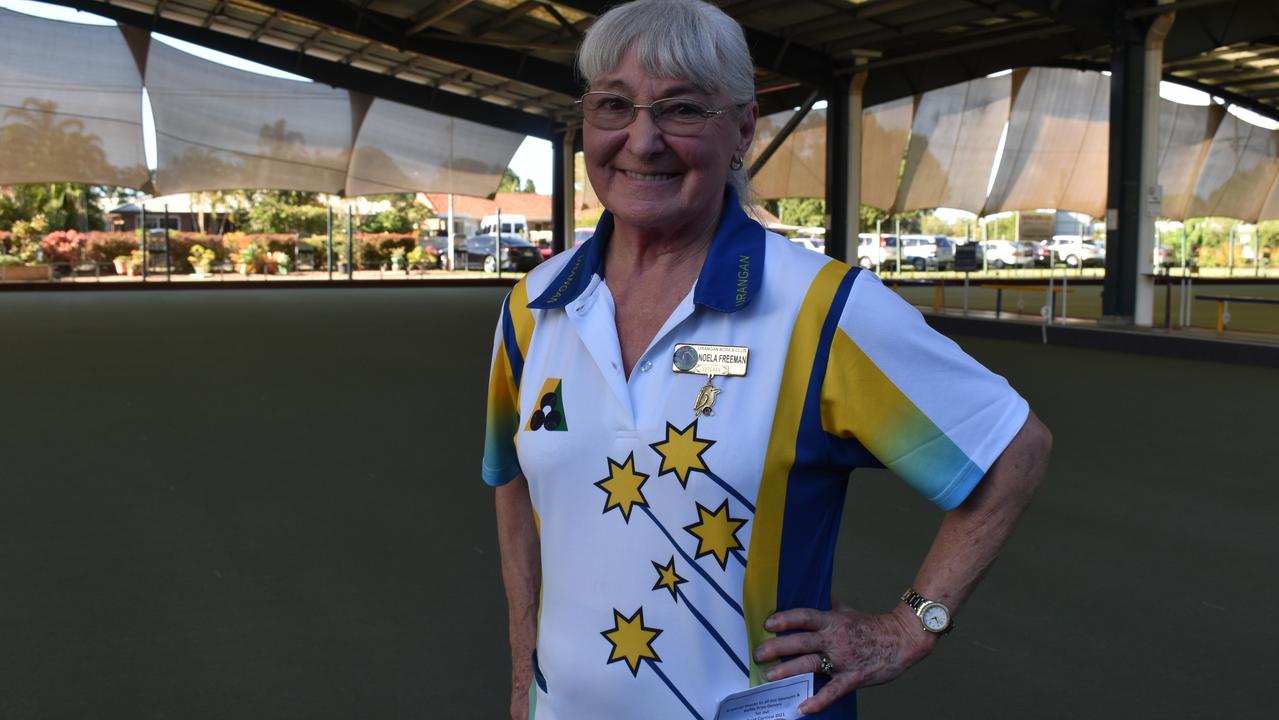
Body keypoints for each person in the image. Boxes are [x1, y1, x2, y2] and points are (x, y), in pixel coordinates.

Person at [482, 1, 1052, 718]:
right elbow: (513, 487)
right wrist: (520, 675)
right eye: (613, 106)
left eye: (681, 109)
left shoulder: (822, 306)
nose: (642, 140)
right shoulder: (533, 305)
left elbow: (1012, 450)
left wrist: (911, 625)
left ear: (743, 128)